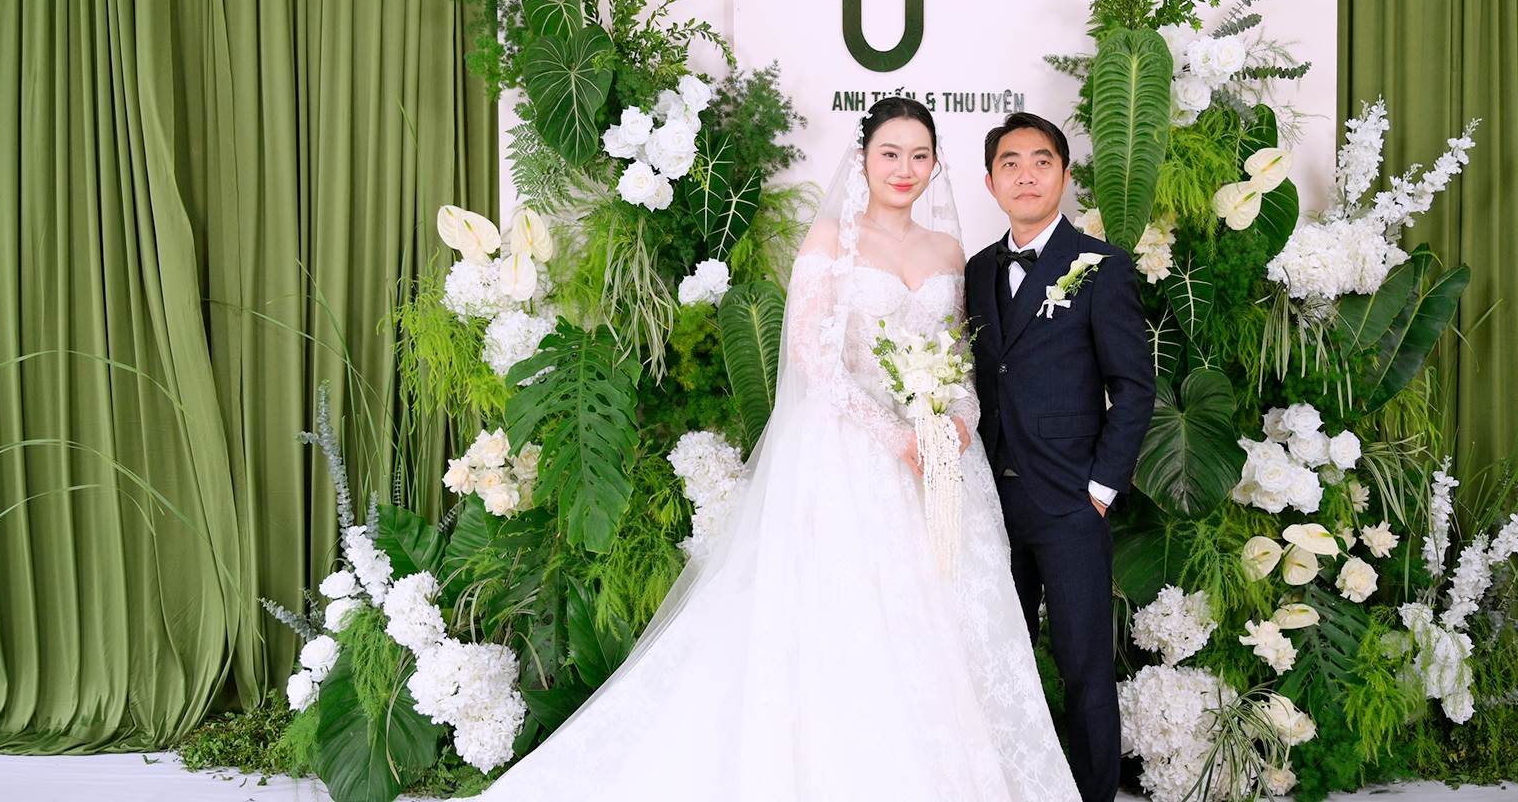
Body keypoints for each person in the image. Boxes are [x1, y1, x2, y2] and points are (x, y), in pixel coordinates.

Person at [480, 97, 1077, 801]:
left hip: (940, 458)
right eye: (890, 153)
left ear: (935, 165)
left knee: (944, 618)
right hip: (853, 452)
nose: (905, 168)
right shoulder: (829, 239)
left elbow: (959, 353)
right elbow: (813, 357)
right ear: (863, 160)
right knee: (854, 618)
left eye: (920, 156)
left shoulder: (948, 251)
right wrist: (893, 435)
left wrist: (960, 419)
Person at [965, 112, 1156, 802]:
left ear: (1065, 176)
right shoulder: (977, 270)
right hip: (990, 498)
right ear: (990, 181)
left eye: (1041, 162)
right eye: (1010, 163)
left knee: (1084, 667)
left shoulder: (1100, 266)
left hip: (1071, 500)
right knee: (1000, 665)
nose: (1026, 175)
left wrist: (1101, 488)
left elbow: (1133, 386)